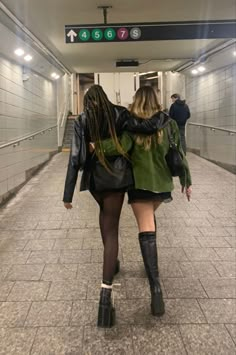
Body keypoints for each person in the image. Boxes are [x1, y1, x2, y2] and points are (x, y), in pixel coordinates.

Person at [63, 84, 167, 328]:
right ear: (106, 97)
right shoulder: (120, 113)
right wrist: (163, 115)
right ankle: (104, 297)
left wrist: (67, 194)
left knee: (106, 227)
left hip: (95, 182)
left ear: (87, 101)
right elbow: (145, 126)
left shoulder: (82, 119)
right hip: (118, 179)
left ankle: (111, 270)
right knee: (112, 230)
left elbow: (75, 158)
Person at [94, 86, 192, 319]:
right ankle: (152, 274)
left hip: (140, 185)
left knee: (146, 226)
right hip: (162, 185)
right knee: (150, 220)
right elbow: (180, 152)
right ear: (157, 100)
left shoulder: (132, 126)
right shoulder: (167, 124)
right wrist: (187, 181)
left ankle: (156, 288)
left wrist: (95, 146)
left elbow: (118, 147)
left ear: (136, 101)